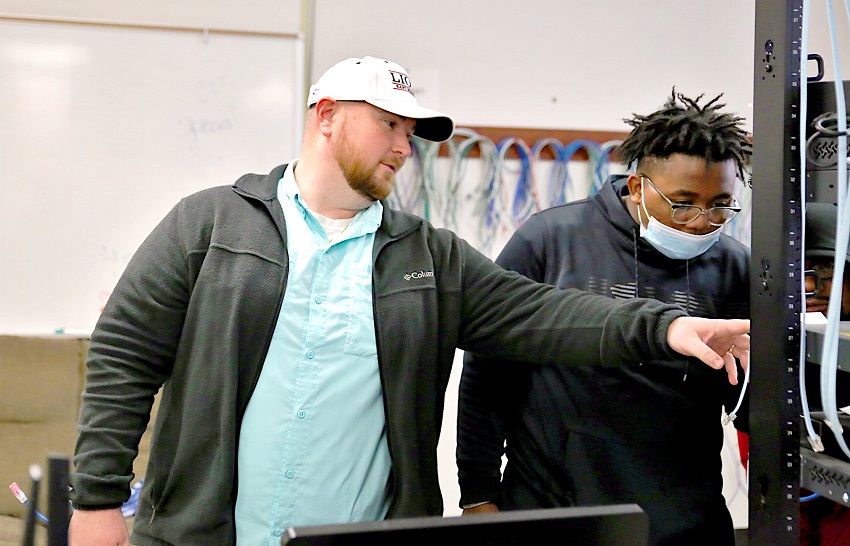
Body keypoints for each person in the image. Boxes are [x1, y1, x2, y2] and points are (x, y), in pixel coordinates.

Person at [67, 58, 750, 546]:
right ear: (327, 117)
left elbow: (544, 314)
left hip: (357, 533)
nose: (403, 147)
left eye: (410, 134)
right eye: (389, 124)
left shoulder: (430, 257)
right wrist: (97, 500)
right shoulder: (211, 224)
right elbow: (125, 354)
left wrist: (666, 328)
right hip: (204, 532)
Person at [457, 90, 752, 546]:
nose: (701, 221)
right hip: (554, 511)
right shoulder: (551, 241)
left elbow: (750, 402)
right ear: (637, 187)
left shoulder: (734, 266)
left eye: (720, 205)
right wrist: (477, 495)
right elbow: (486, 374)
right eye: (683, 202)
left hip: (683, 519)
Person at [799, 202, 850, 546]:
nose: (808, 286)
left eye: (824, 270)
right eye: (797, 270)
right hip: (793, 486)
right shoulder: (768, 342)